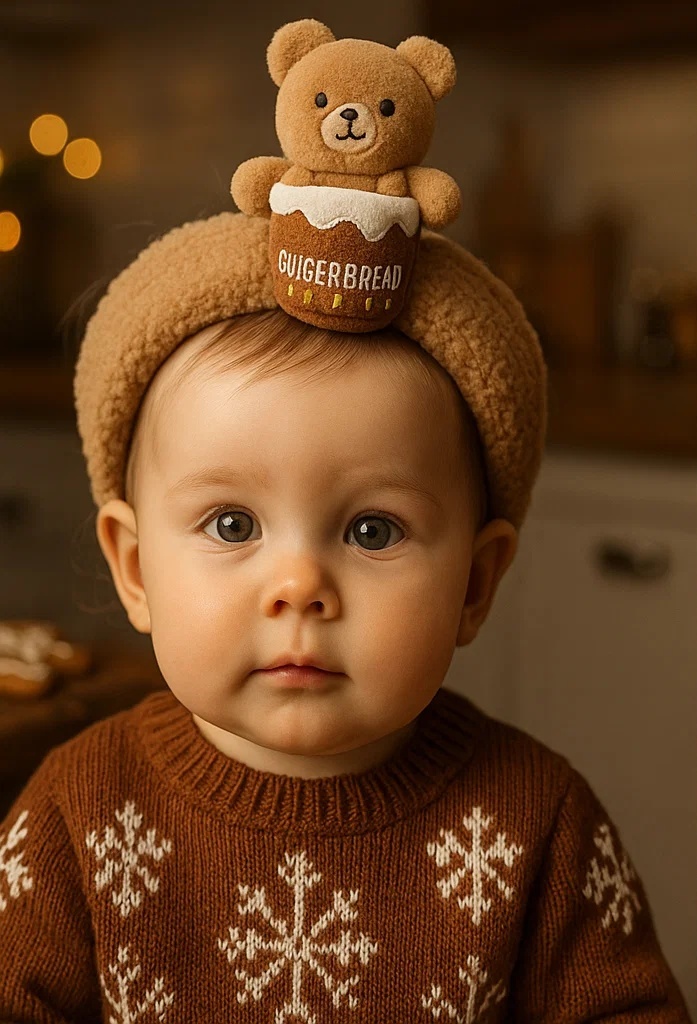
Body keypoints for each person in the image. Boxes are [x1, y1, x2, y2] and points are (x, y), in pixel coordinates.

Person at [0, 213, 690, 1022]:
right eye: (232, 525)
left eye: (372, 530)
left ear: (474, 582)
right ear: (136, 566)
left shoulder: (538, 825)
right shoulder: (74, 812)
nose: (298, 586)